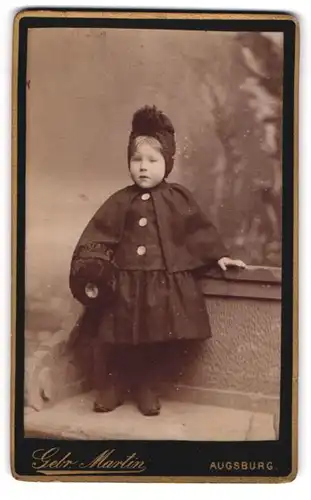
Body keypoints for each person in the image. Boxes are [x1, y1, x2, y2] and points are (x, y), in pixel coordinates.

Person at [69, 105, 246, 416]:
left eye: (153, 160)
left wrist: (219, 255)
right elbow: (99, 234)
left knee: (154, 339)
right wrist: (93, 266)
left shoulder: (177, 199)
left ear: (168, 163)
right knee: (117, 337)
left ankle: (146, 387)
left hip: (158, 286)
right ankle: (114, 386)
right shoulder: (120, 200)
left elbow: (197, 230)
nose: (143, 167)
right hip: (123, 287)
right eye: (136, 160)